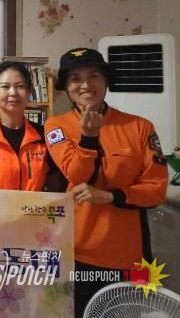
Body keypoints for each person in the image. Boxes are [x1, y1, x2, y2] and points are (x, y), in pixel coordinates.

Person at [44, 48, 168, 317]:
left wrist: (112, 196)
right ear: (66, 87)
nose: (85, 85)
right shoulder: (56, 126)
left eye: (94, 76)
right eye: (75, 78)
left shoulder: (140, 127)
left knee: (131, 313)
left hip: (130, 254)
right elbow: (77, 175)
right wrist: (88, 138)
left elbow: (156, 190)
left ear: (106, 81)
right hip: (77, 251)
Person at [0, 61, 64, 191]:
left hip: (32, 204)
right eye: (5, 87)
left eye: (20, 86)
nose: (13, 93)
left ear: (29, 91)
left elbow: (54, 183)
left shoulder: (43, 134)